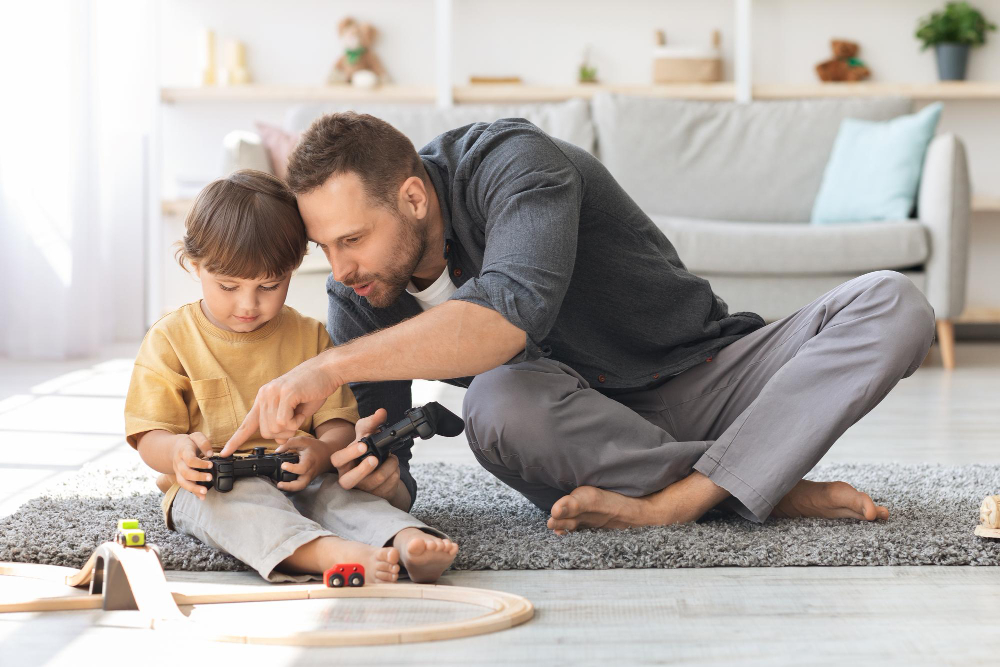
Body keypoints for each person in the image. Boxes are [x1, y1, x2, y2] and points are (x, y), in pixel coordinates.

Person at [221, 113, 936, 533]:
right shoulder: (362, 294)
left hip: (703, 373)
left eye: (352, 239)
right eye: (325, 248)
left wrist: (328, 366)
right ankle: (759, 474)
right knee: (495, 404)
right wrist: (376, 478)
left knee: (894, 302)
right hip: (579, 426)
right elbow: (398, 477)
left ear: (412, 196)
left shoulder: (511, 161)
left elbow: (508, 317)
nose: (339, 269)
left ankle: (682, 499)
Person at [124, 169, 457, 582]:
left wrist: (319, 455)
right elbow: (149, 433)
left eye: (269, 285)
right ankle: (325, 553)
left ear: (295, 267)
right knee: (237, 511)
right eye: (228, 286)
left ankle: (406, 540)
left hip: (301, 478)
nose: (248, 304)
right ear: (194, 264)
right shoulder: (171, 338)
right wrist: (176, 452)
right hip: (216, 485)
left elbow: (337, 423)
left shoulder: (309, 336)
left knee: (342, 496)